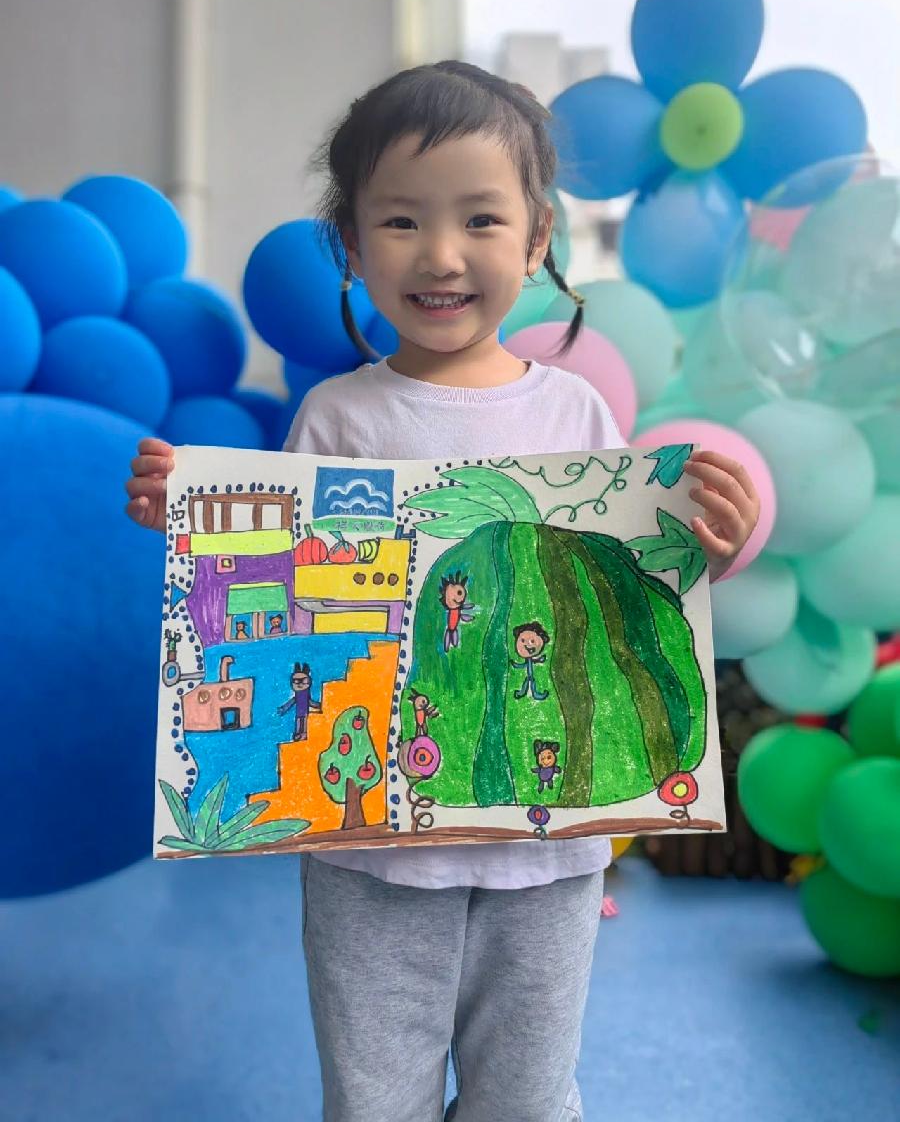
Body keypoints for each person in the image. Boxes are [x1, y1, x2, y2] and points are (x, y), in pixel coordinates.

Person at [124, 60, 760, 1122]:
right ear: (351, 244)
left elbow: (631, 592)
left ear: (538, 238)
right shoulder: (336, 418)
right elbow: (278, 594)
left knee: (527, 1098)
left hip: (549, 858)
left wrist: (711, 554)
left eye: (480, 219)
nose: (442, 254)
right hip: (370, 859)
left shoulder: (576, 417)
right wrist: (190, 519)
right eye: (402, 221)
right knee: (375, 1098)